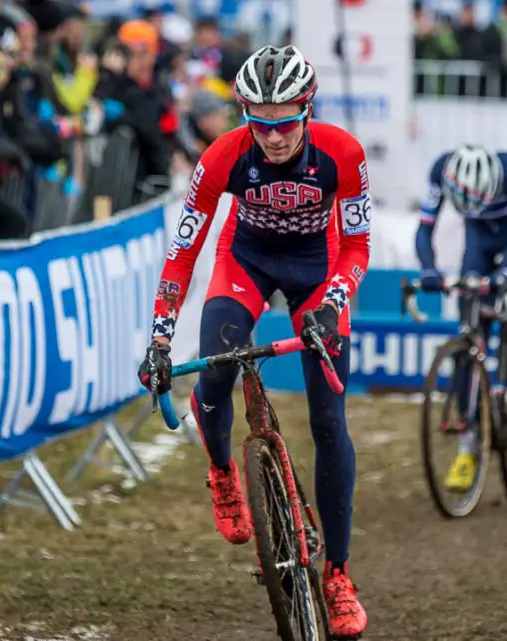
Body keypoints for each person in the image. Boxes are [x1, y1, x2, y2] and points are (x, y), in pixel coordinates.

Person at [135, 45, 368, 639]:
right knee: (215, 371)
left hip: (319, 268)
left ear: (307, 110)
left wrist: (335, 302)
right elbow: (183, 250)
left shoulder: (342, 153)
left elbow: (358, 246)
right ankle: (221, 472)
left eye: (285, 122)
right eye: (258, 123)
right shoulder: (223, 157)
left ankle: (338, 573)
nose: (272, 137)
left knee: (327, 420)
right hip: (246, 260)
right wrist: (160, 337)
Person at [415, 145, 507, 491]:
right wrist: (429, 270)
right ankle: (467, 449)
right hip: (477, 246)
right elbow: (424, 229)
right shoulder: (441, 169)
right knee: (470, 331)